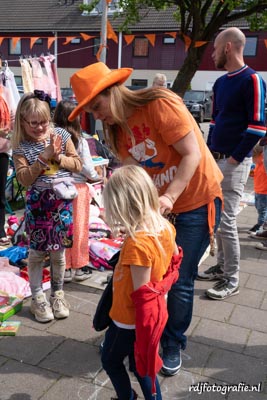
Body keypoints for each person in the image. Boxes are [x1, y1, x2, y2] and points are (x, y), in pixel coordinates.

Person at [68, 61, 223, 377]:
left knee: (178, 278)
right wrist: (131, 212)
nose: (96, 116)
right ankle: (138, 331)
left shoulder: (159, 105)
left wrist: (167, 198)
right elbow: (135, 175)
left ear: (114, 91)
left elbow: (192, 154)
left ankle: (172, 343)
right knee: (145, 274)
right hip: (158, 207)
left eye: (97, 106)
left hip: (195, 199)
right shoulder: (115, 129)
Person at [197, 27, 266, 299]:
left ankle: (232, 279)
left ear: (227, 47)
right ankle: (222, 266)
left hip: (235, 164)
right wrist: (209, 153)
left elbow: (258, 127)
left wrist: (236, 159)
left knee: (226, 222)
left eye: (214, 48)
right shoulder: (221, 82)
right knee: (218, 221)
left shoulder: (252, 80)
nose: (212, 54)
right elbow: (214, 122)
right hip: (216, 162)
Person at [101, 164, 179, 400]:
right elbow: (175, 258)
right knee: (142, 364)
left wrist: (144, 334)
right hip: (152, 315)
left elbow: (141, 295)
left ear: (124, 206)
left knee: (111, 360)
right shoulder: (164, 226)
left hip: (128, 320)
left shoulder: (138, 244)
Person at [11, 90, 82, 323]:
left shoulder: (61, 133)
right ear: (23, 121)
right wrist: (44, 157)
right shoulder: (20, 146)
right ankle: (38, 298)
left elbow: (78, 164)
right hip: (39, 205)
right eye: (34, 123)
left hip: (61, 203)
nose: (40, 127)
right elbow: (24, 179)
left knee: (59, 253)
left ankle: (58, 294)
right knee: (37, 254)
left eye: (44, 122)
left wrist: (59, 157)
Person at [53, 100, 100, 282]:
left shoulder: (52, 139)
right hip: (77, 189)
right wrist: (97, 176)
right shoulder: (80, 141)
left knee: (61, 229)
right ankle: (78, 268)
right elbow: (88, 168)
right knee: (79, 229)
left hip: (56, 188)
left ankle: (63, 269)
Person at [0, 94, 13, 246]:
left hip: (2, 151)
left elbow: (13, 115)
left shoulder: (4, 92)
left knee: (0, 195)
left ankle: (0, 231)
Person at [247, 143, 267, 236]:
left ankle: (259, 225)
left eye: (254, 157)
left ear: (261, 155)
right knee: (258, 207)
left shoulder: (264, 165)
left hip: (264, 192)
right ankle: (264, 222)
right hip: (258, 190)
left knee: (262, 209)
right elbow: (256, 174)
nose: (253, 159)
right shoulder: (258, 165)